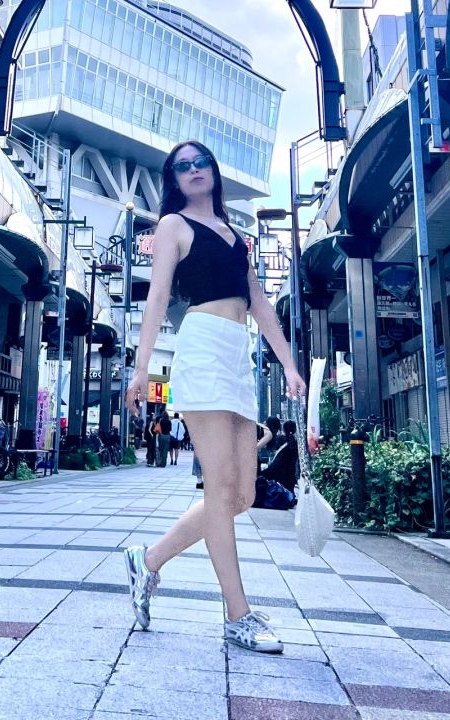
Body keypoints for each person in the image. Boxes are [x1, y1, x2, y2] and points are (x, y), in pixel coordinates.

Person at [124, 140, 306, 654]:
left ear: (214, 171)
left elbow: (260, 303)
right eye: (182, 167)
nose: (194, 170)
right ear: (174, 180)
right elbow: (158, 296)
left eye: (200, 161)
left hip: (238, 354)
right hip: (202, 348)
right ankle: (238, 614)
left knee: (241, 496)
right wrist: (141, 370)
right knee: (218, 491)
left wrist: (289, 364)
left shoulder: (235, 235)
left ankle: (148, 560)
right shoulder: (173, 227)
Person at [263, 419, 300, 492]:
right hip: (290, 474)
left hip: (278, 473)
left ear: (284, 429)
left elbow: (274, 454)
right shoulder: (295, 442)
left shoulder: (280, 439)